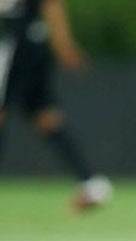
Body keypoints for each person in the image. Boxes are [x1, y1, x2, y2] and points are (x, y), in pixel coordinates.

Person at [0, 0, 112, 209]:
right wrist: (63, 46)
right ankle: (91, 181)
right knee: (47, 118)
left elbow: (51, 4)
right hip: (36, 47)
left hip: (19, 46)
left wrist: (65, 46)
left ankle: (91, 182)